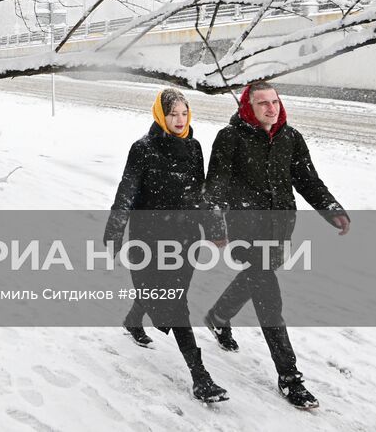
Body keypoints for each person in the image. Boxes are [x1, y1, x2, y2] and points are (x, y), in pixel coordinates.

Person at [203, 80, 351, 410]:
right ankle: (290, 376)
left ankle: (218, 316)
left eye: (275, 101)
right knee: (269, 297)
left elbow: (308, 179)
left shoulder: (290, 137)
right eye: (263, 104)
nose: (272, 108)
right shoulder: (230, 138)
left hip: (280, 226)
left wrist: (331, 209)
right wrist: (214, 226)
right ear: (248, 108)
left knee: (258, 277)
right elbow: (214, 186)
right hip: (245, 227)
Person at [104, 88, 228, 404]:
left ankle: (133, 320)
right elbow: (127, 191)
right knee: (175, 301)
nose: (179, 119)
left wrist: (214, 226)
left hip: (186, 239)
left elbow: (200, 193)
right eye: (173, 114)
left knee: (166, 294)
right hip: (149, 238)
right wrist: (115, 231)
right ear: (160, 114)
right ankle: (200, 376)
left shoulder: (195, 147)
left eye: (184, 113)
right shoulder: (143, 149)